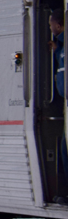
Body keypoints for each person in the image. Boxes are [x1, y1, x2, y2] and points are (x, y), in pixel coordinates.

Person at [50, 11, 67, 205]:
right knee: (63, 150)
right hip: (65, 105)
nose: (50, 29)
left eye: (51, 25)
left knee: (65, 150)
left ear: (59, 25)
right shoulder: (62, 47)